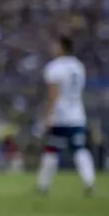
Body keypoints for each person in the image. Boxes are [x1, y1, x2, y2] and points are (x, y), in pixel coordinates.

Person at [36, 35, 95, 196]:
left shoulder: (55, 67)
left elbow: (53, 95)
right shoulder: (78, 66)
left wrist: (48, 115)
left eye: (55, 46)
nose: (52, 49)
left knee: (52, 149)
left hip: (60, 116)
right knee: (79, 149)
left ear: (61, 47)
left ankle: (43, 185)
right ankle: (89, 182)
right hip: (77, 115)